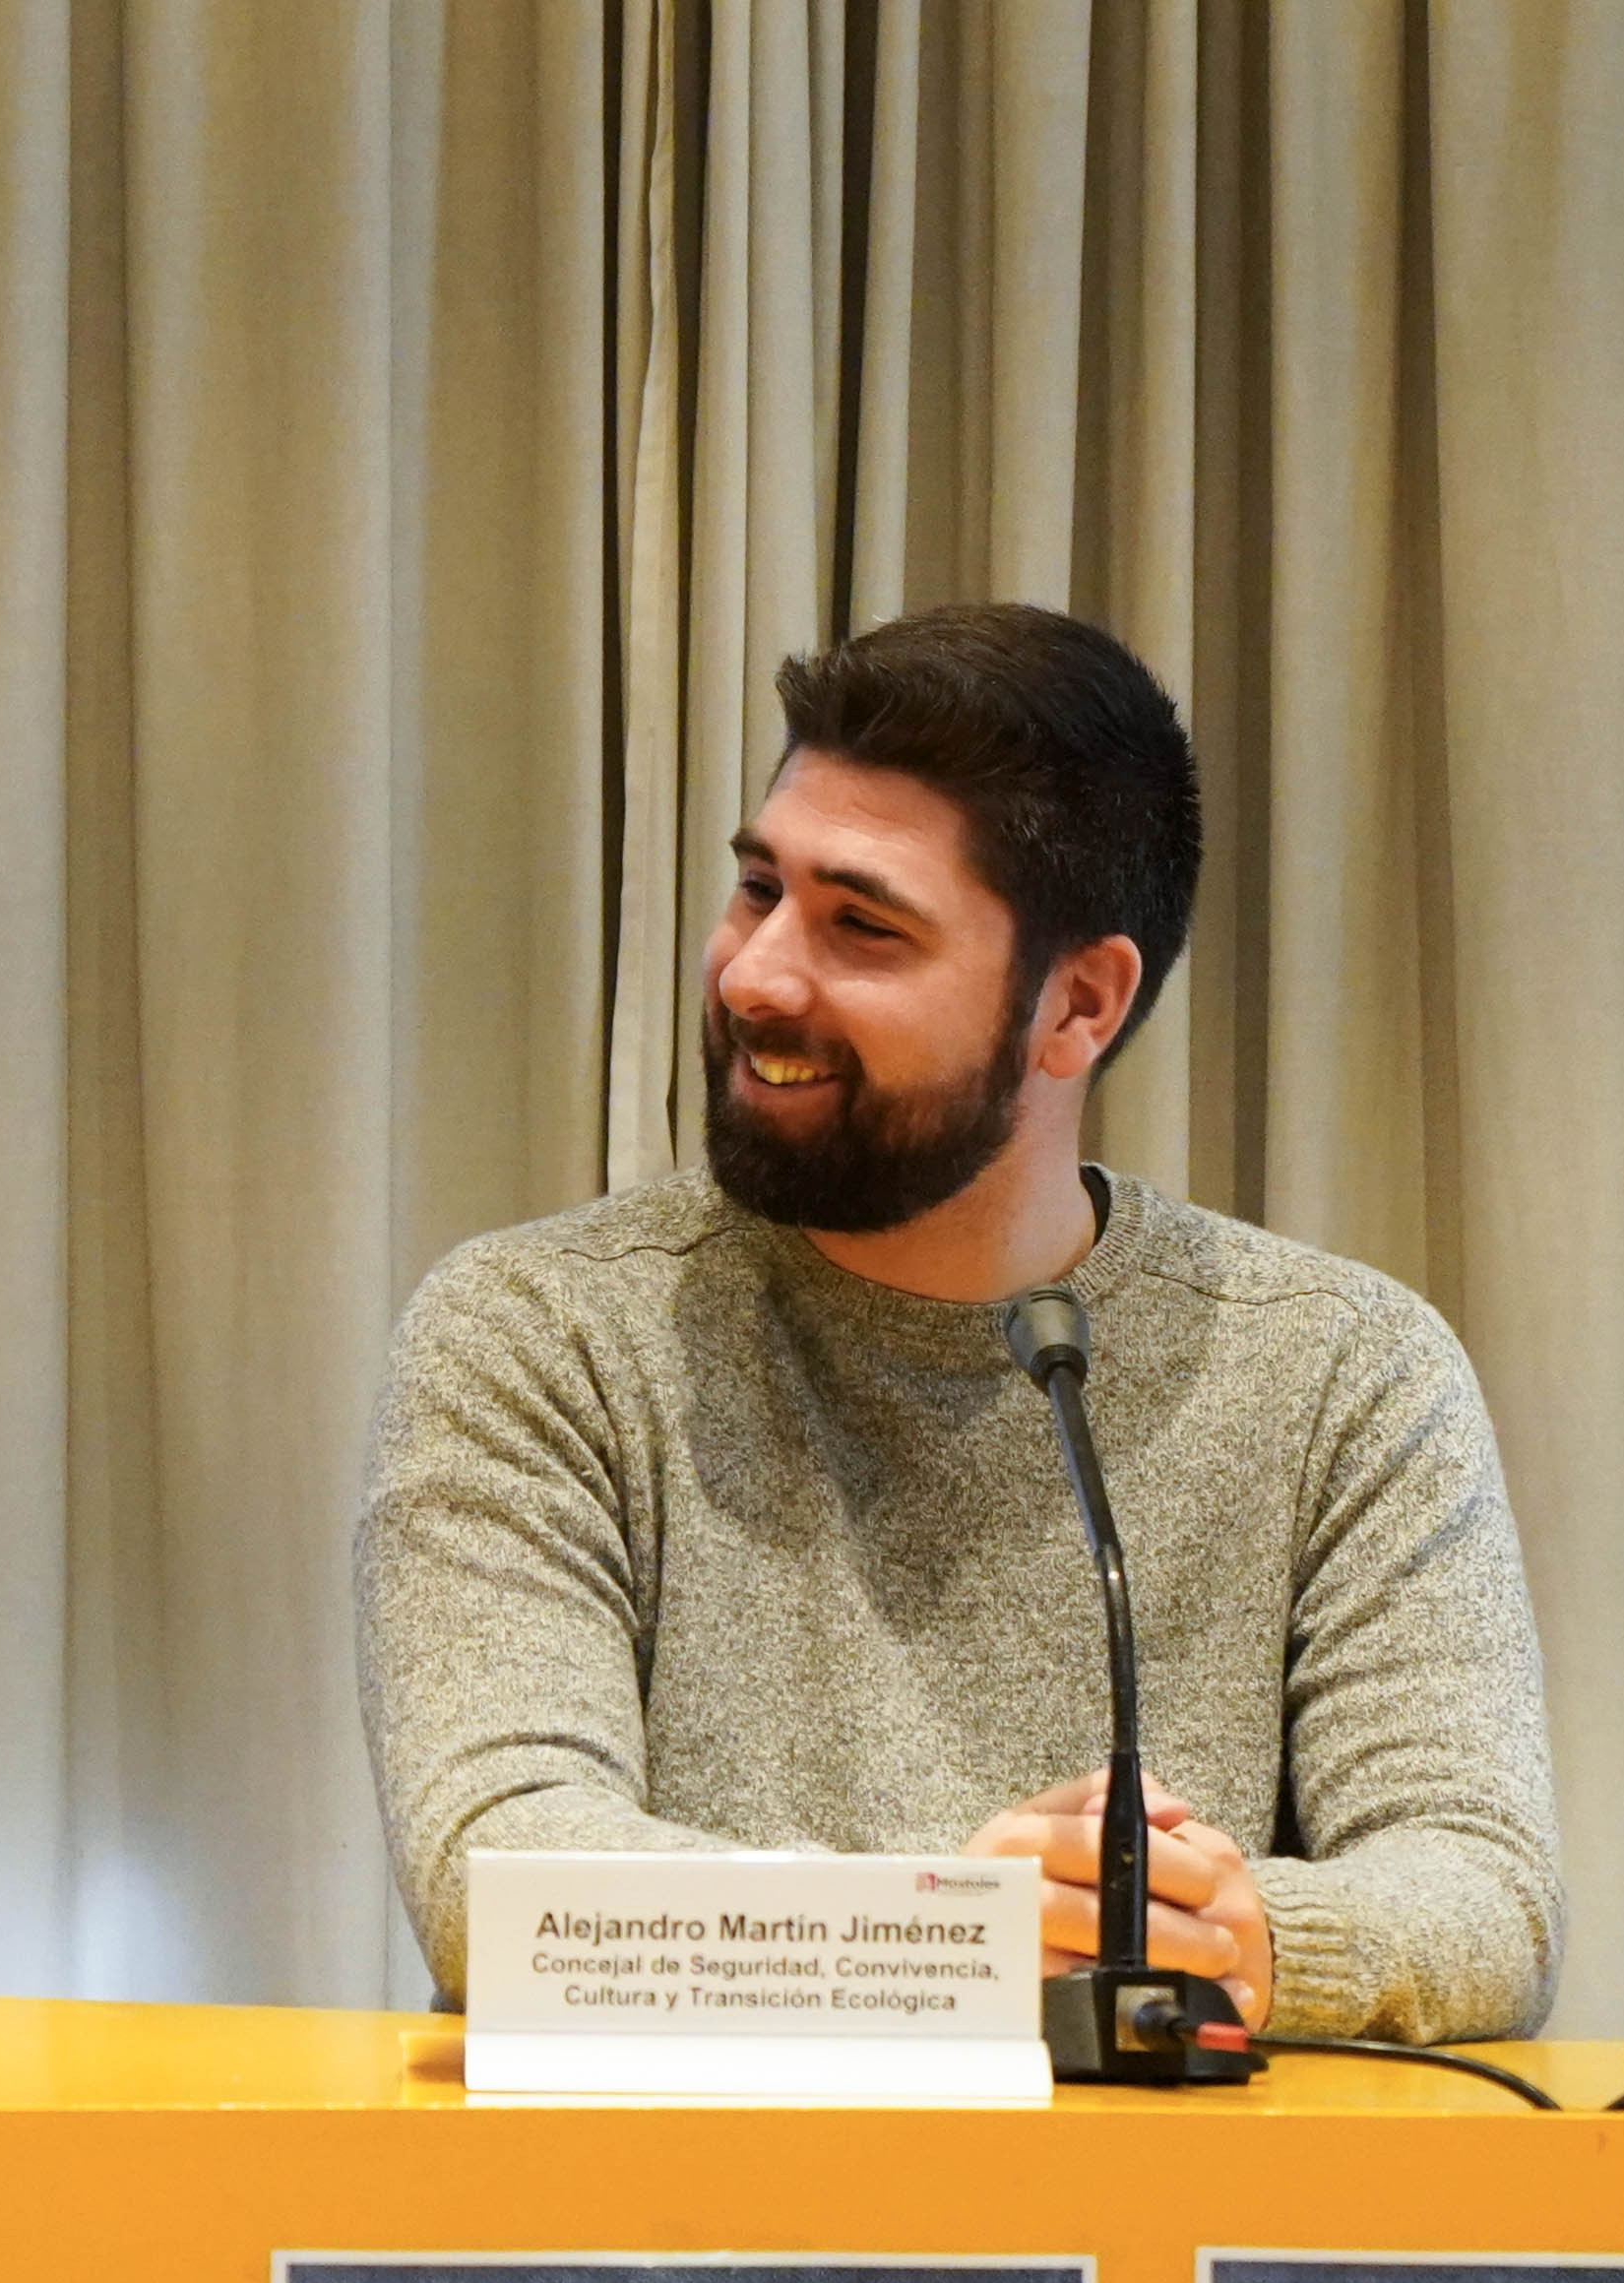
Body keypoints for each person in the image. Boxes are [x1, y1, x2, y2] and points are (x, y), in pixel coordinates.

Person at [355, 602, 1562, 2041]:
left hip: (1159, 2190)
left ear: (1077, 1008)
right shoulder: (538, 1333)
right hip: (683, 2189)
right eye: (758, 889)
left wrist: (1249, 1941)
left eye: (862, 926)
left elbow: (1485, 1899)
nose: (753, 975)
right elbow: (498, 1875)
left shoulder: (1343, 1370)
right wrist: (954, 1933)